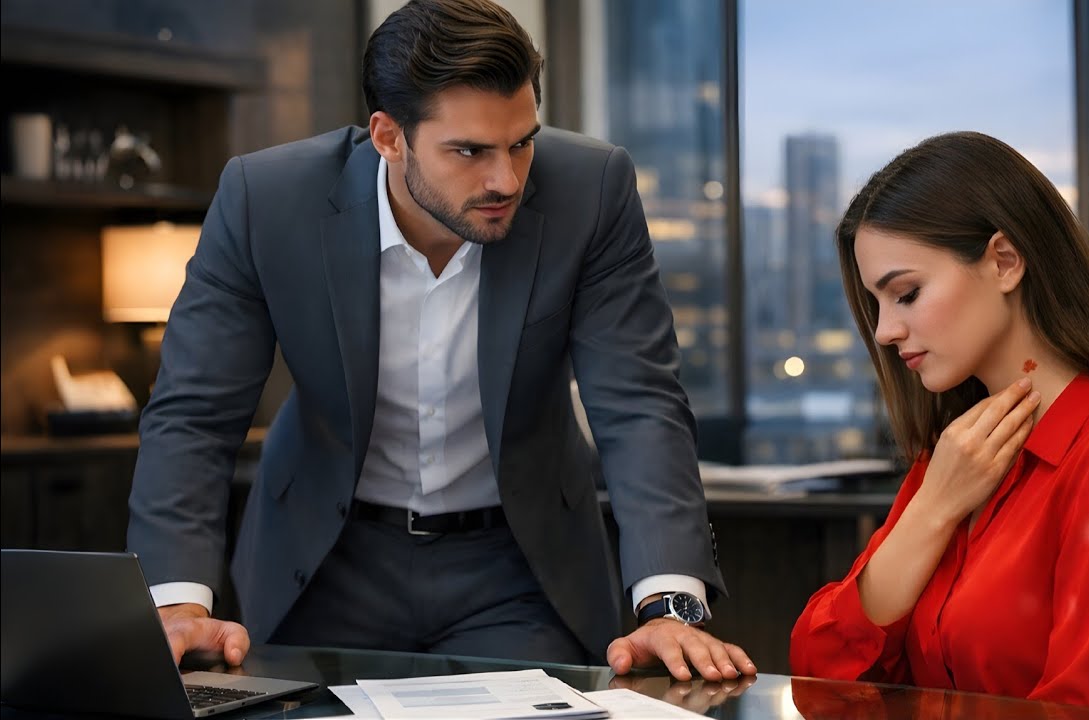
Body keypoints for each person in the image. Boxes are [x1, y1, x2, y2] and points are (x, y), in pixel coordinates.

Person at [127, 0, 755, 683]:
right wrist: (177, 599)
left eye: (522, 143)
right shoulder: (267, 200)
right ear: (387, 137)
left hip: (517, 565)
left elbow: (640, 401)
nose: (506, 180)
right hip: (325, 560)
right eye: (469, 152)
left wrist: (668, 603)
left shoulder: (591, 191)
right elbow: (194, 413)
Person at [789, 131, 1089, 719]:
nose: (884, 331)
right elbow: (821, 682)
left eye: (906, 293)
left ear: (1004, 261)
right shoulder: (957, 453)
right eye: (876, 304)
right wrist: (933, 510)